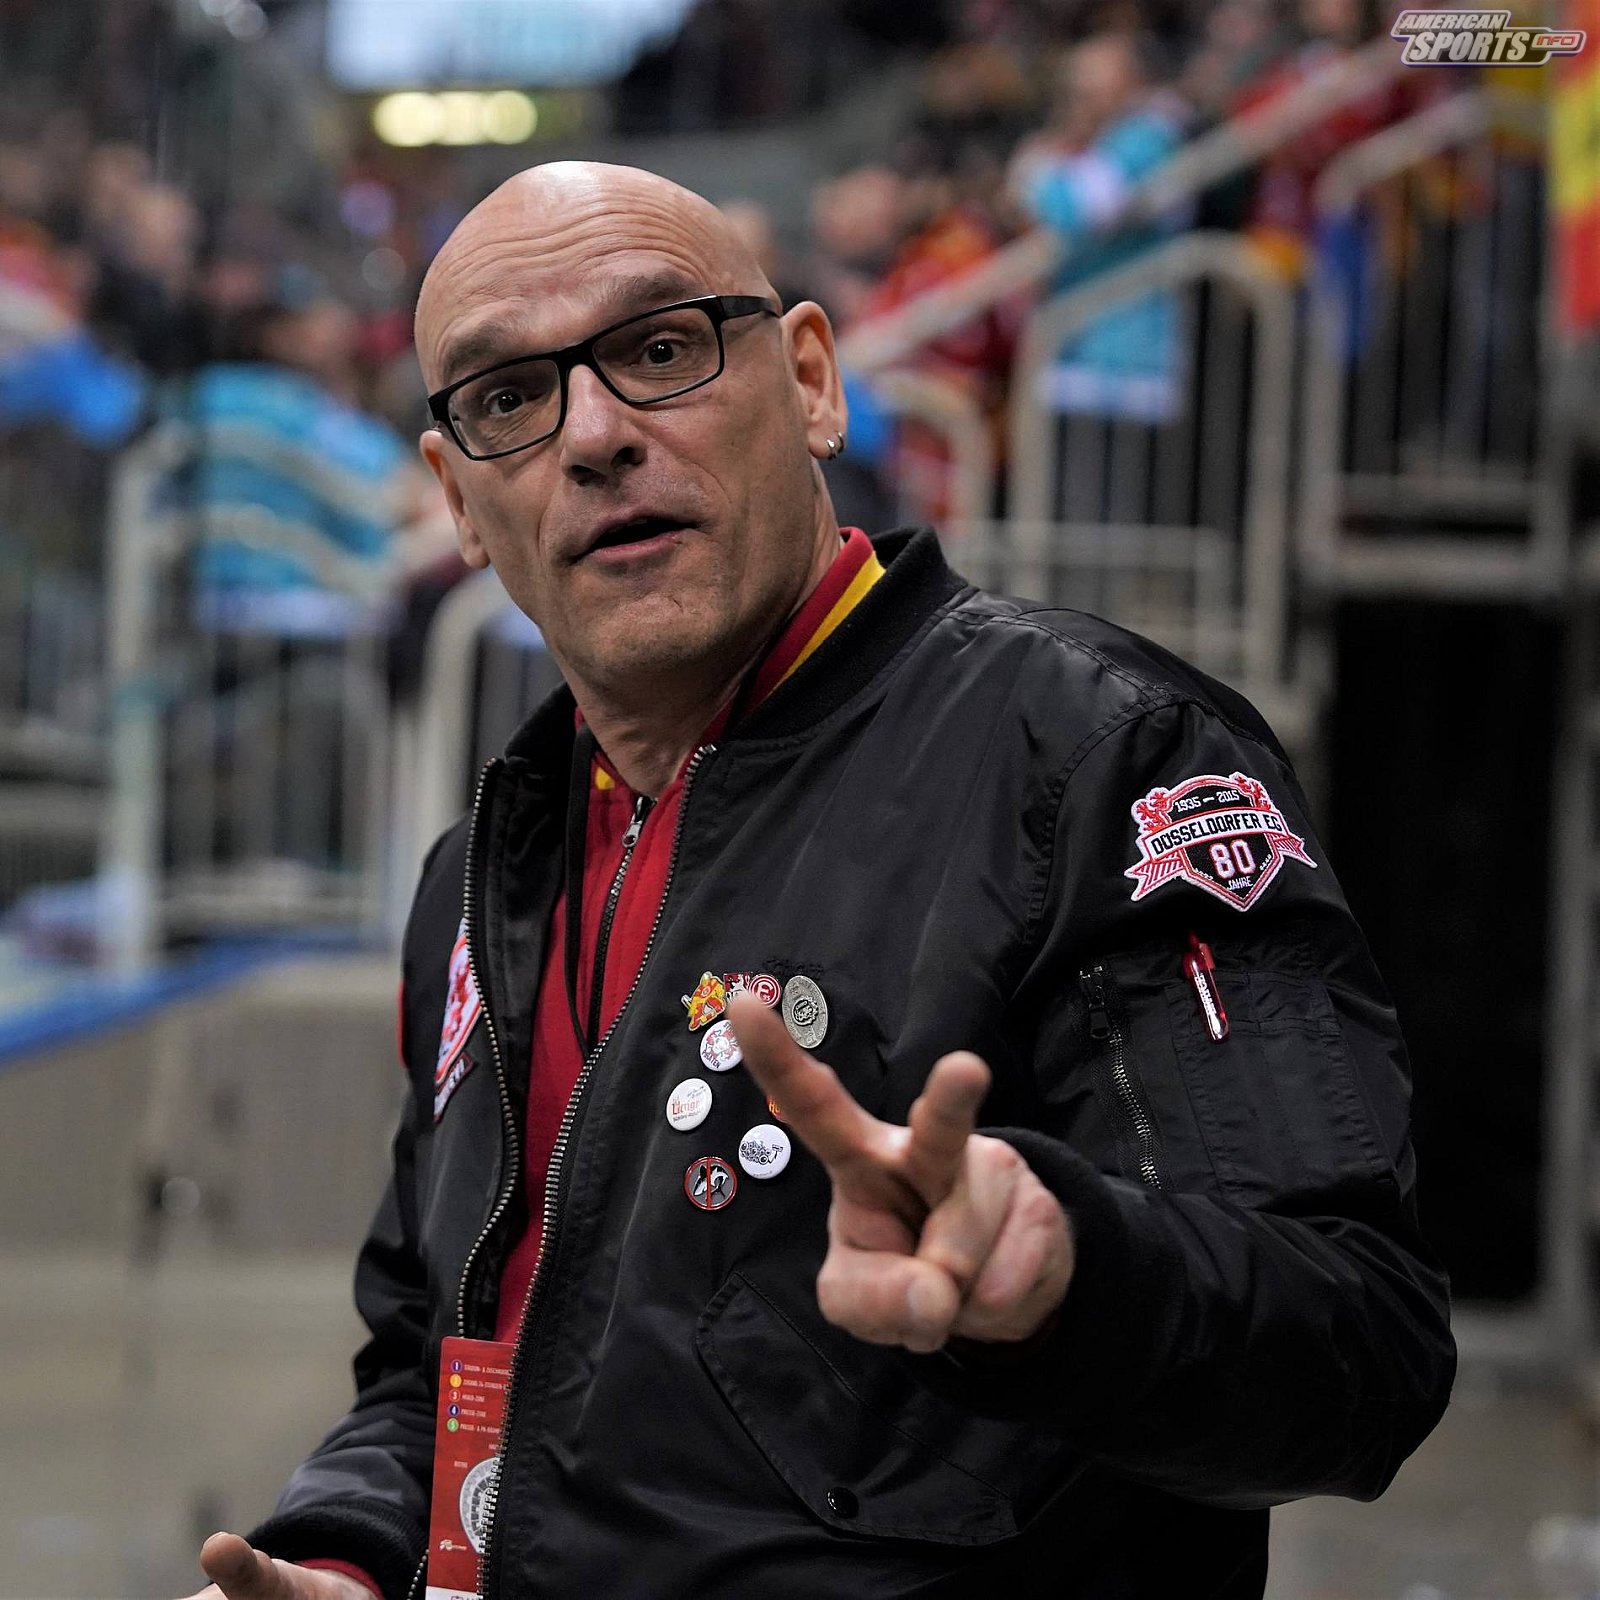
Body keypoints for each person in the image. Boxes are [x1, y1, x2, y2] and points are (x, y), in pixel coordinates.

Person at [184, 160, 1453, 1600]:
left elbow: (1364, 1348)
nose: (592, 436)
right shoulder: (483, 871)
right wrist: (345, 1552)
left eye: (660, 350)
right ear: (458, 501)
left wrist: (1067, 1278)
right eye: (509, 397)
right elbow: (442, 1351)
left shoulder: (1096, 757)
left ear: (809, 382)